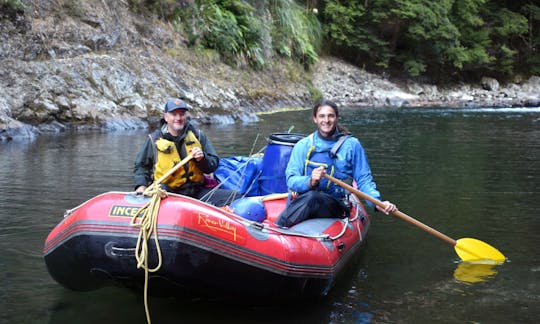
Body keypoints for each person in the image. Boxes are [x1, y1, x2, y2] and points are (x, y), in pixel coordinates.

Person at [276, 99, 397, 227]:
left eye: (331, 116)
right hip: (305, 200)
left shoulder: (352, 145)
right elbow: (291, 179)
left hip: (337, 205)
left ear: (337, 117)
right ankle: (281, 231)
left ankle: (281, 226)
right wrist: (310, 181)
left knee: (313, 197)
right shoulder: (303, 145)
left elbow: (364, 180)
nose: (326, 120)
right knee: (311, 197)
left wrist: (377, 203)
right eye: (322, 116)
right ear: (315, 119)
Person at [133, 98, 236, 207]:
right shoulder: (153, 140)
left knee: (235, 196)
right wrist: (141, 186)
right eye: (174, 114)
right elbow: (141, 166)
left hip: (197, 192)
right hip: (168, 192)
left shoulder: (198, 136)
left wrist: (202, 159)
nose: (178, 118)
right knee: (160, 192)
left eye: (182, 114)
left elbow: (213, 164)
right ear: (166, 117)